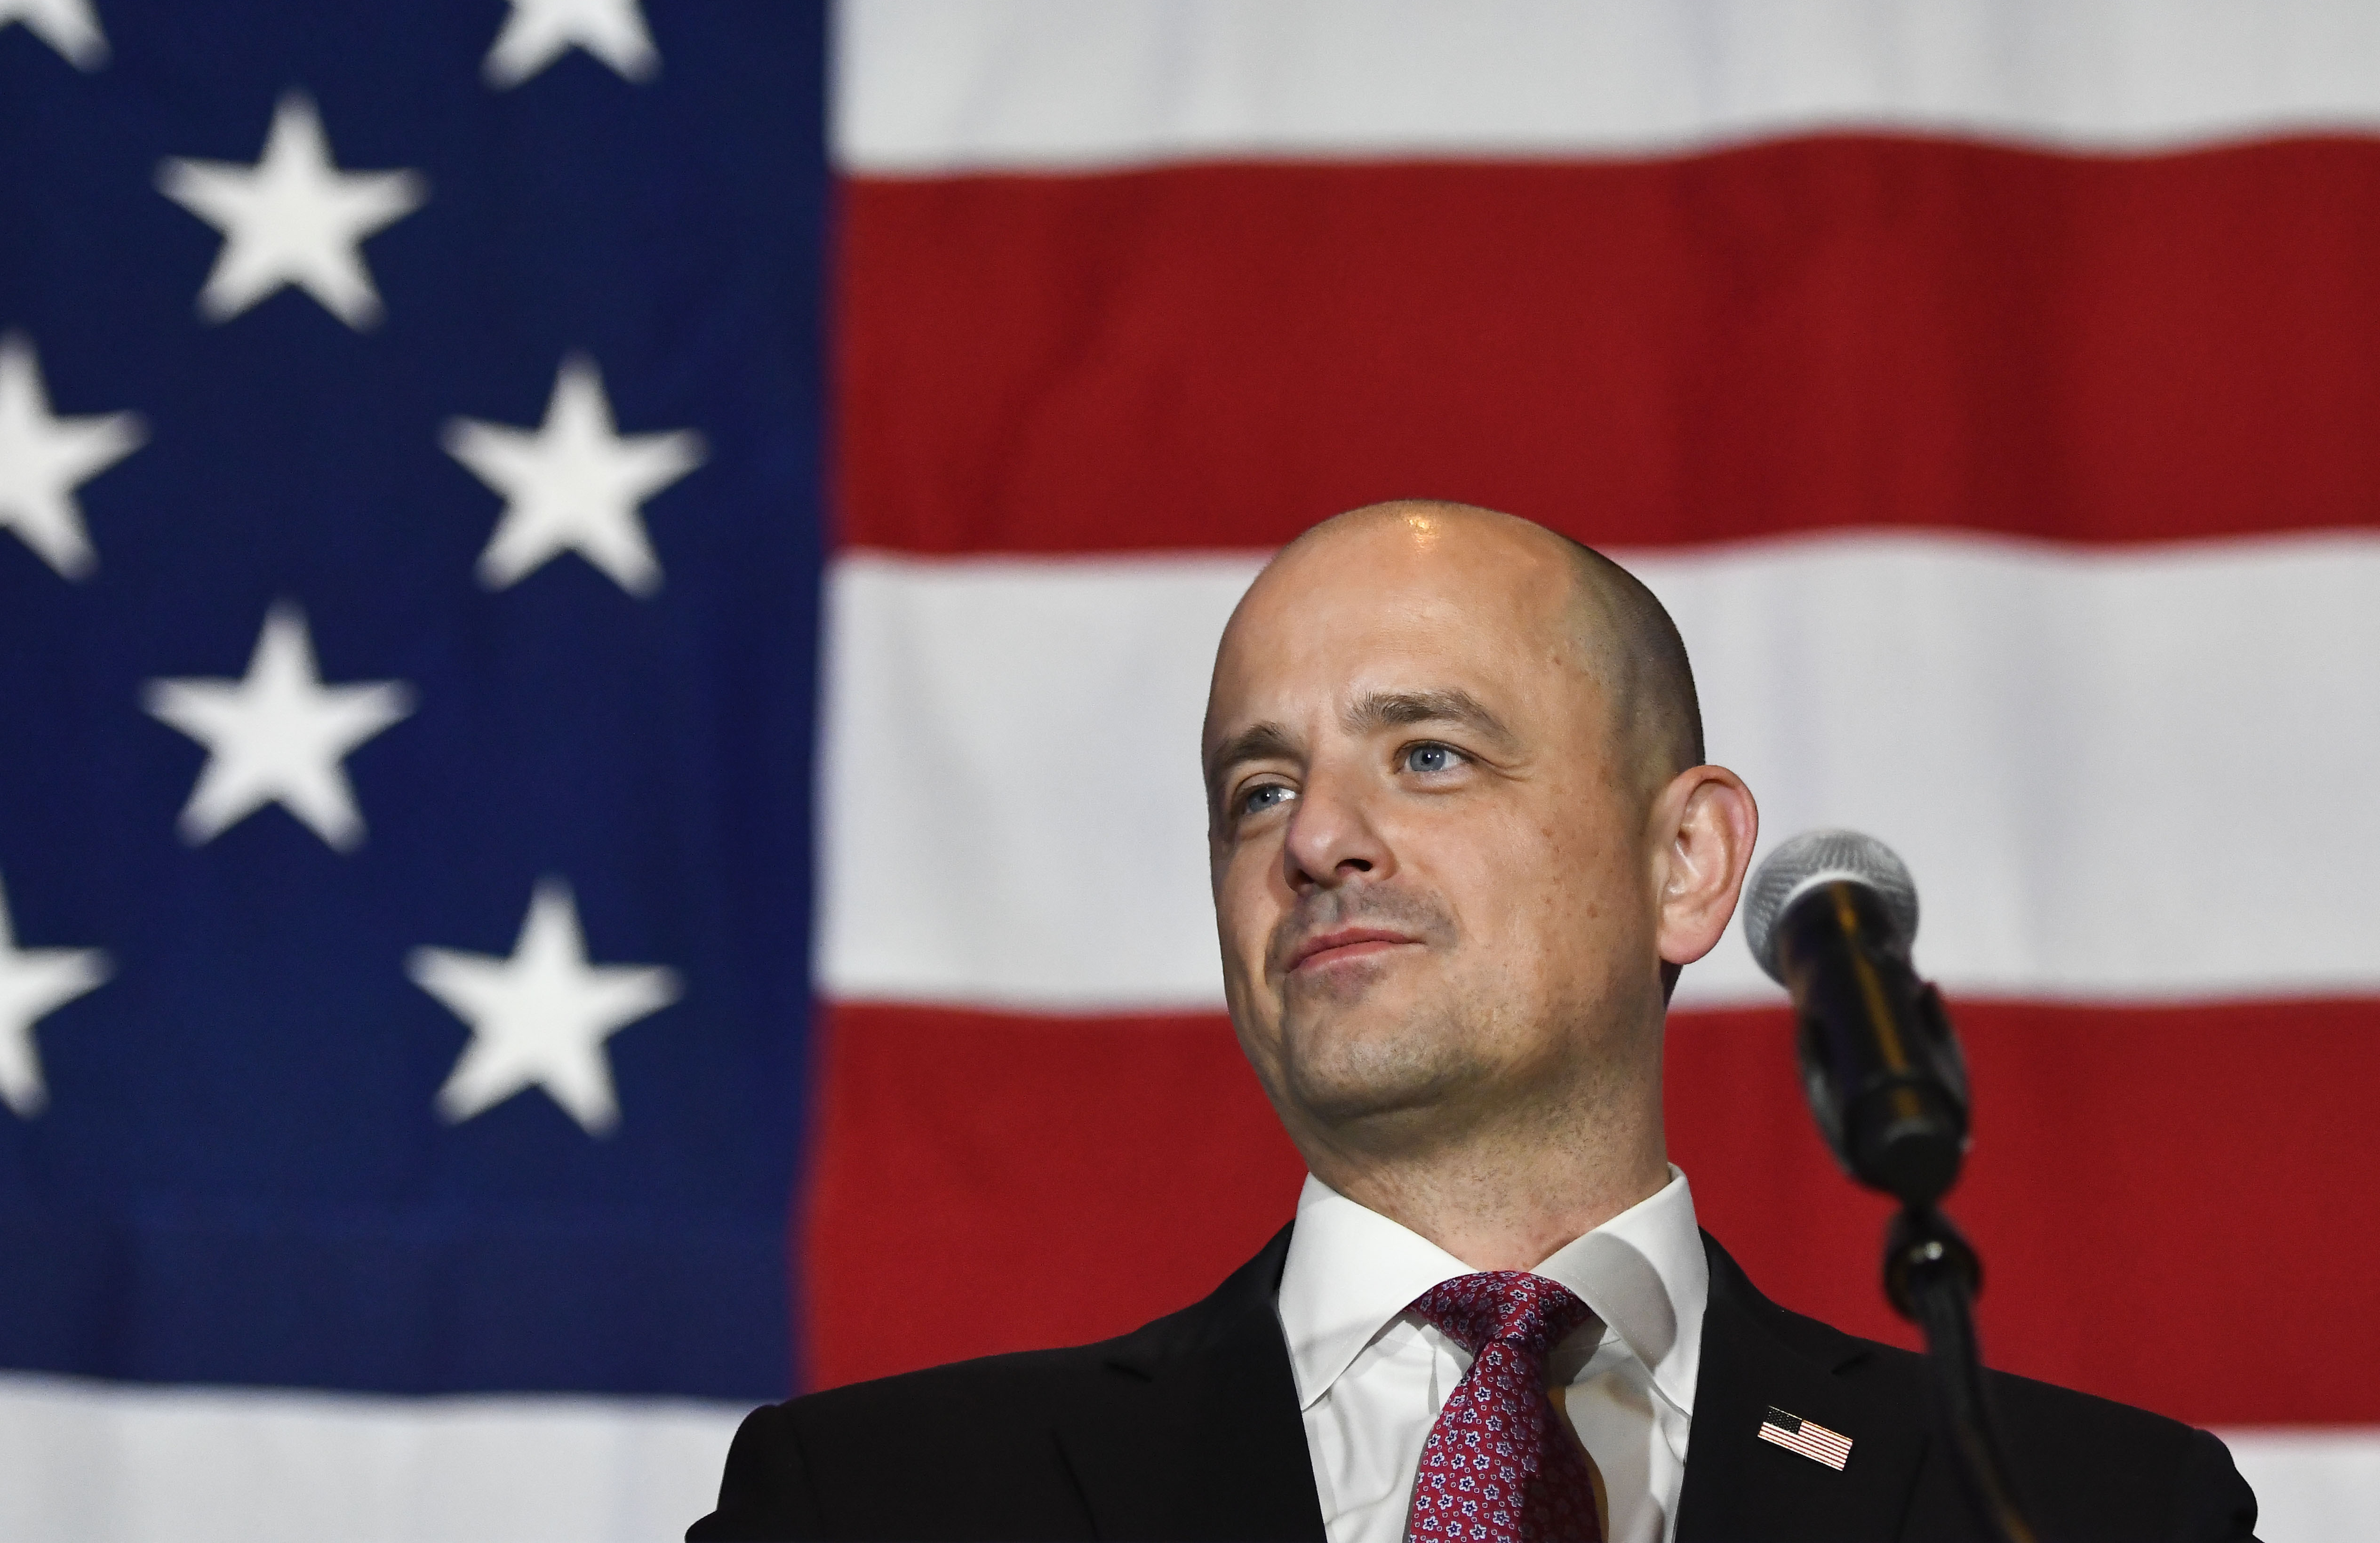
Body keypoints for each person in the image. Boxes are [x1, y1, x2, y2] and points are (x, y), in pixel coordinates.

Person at [690, 502, 2257, 1543]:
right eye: (1257, 787)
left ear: (1686, 861)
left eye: (1428, 754)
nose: (1315, 840)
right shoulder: (877, 1506)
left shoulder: (2090, 1509)